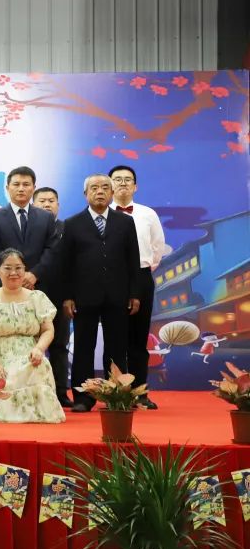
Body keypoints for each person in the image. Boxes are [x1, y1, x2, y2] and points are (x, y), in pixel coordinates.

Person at [61, 174, 141, 413]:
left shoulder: (125, 222)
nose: (100, 191)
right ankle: (83, 397)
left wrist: (134, 293)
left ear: (112, 193)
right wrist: (68, 296)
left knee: (117, 348)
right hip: (84, 296)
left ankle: (116, 395)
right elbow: (66, 264)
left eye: (105, 187)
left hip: (117, 295)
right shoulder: (72, 223)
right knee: (83, 347)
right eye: (94, 188)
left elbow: (133, 260)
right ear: (85, 194)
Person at [0, 249, 65, 423]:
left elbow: (48, 330)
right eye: (7, 268)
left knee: (40, 365)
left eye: (18, 268)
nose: (13, 273)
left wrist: (39, 349)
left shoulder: (37, 298)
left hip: (29, 355)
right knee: (2, 377)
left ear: (25, 270)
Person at [109, 164, 165, 410]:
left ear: (135, 186)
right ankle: (115, 393)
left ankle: (141, 392)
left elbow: (157, 247)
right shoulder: (102, 214)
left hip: (141, 277)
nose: (123, 183)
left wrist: (142, 271)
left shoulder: (147, 214)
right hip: (111, 278)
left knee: (138, 338)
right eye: (117, 179)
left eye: (127, 179)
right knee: (115, 338)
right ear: (110, 185)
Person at [0, 166, 59, 296]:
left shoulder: (46, 217)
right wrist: (16, 274)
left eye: (26, 184)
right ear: (7, 188)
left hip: (39, 285)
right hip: (6, 284)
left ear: (33, 188)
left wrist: (35, 274)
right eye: (16, 184)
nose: (21, 188)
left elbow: (52, 249)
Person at [32, 186, 72, 406]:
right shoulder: (28, 228)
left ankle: (61, 392)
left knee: (59, 346)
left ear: (58, 205)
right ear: (33, 205)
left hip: (59, 295)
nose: (47, 204)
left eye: (51, 201)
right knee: (28, 345)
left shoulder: (68, 229)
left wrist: (69, 296)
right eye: (42, 201)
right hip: (30, 293)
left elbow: (73, 265)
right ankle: (31, 392)